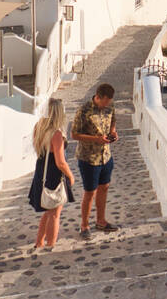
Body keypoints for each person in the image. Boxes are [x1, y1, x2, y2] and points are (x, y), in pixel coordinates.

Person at [70, 84, 119, 238]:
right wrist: (97, 139)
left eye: (109, 102)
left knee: (104, 187)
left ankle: (101, 221)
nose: (107, 105)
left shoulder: (110, 108)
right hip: (89, 158)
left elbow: (113, 124)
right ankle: (84, 225)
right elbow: (75, 134)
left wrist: (113, 134)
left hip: (106, 156)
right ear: (97, 97)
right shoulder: (84, 110)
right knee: (90, 192)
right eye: (104, 102)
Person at [28, 98, 75, 249]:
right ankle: (51, 245)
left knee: (47, 212)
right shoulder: (57, 134)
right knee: (55, 214)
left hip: (41, 171)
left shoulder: (39, 127)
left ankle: (39, 242)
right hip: (54, 175)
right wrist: (70, 176)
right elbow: (60, 161)